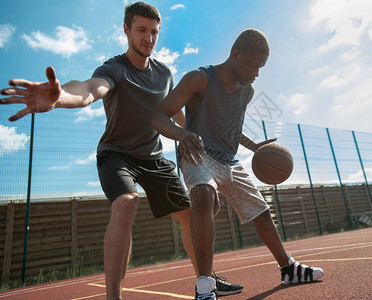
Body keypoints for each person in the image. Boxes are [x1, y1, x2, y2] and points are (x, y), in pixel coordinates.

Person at [0, 2, 242, 299]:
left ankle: (207, 280)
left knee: (191, 216)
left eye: (154, 32)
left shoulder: (164, 73)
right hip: (117, 155)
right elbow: (89, 88)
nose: (148, 38)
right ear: (126, 30)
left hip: (153, 157)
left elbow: (175, 114)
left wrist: (193, 136)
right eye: (141, 30)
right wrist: (60, 96)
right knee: (127, 202)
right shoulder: (114, 69)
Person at [151, 28, 325, 299]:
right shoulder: (200, 78)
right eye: (253, 65)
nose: (256, 72)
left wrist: (253, 147)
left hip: (229, 160)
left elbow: (231, 126)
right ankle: (205, 285)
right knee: (204, 194)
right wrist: (182, 134)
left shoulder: (247, 90)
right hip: (198, 155)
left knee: (261, 211)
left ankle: (288, 268)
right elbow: (159, 116)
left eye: (261, 68)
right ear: (235, 54)